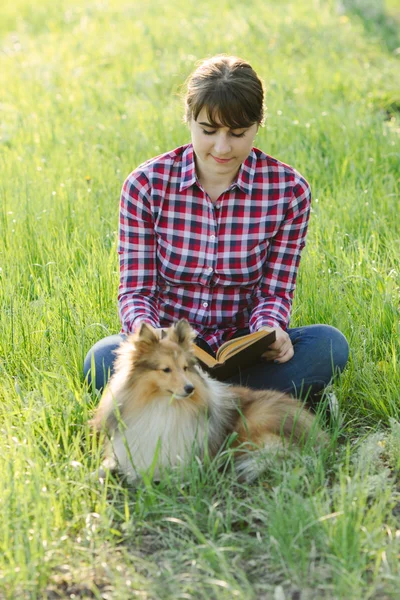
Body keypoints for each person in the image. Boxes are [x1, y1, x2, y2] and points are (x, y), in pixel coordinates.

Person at [84, 55, 349, 404]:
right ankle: (235, 404)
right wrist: (152, 338)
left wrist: (270, 332)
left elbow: (275, 292)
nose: (223, 148)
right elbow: (137, 292)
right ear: (189, 119)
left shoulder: (289, 190)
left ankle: (198, 406)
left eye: (238, 133)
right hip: (172, 356)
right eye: (209, 131)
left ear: (258, 124)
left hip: (242, 350)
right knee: (102, 359)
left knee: (328, 345)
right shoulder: (145, 185)